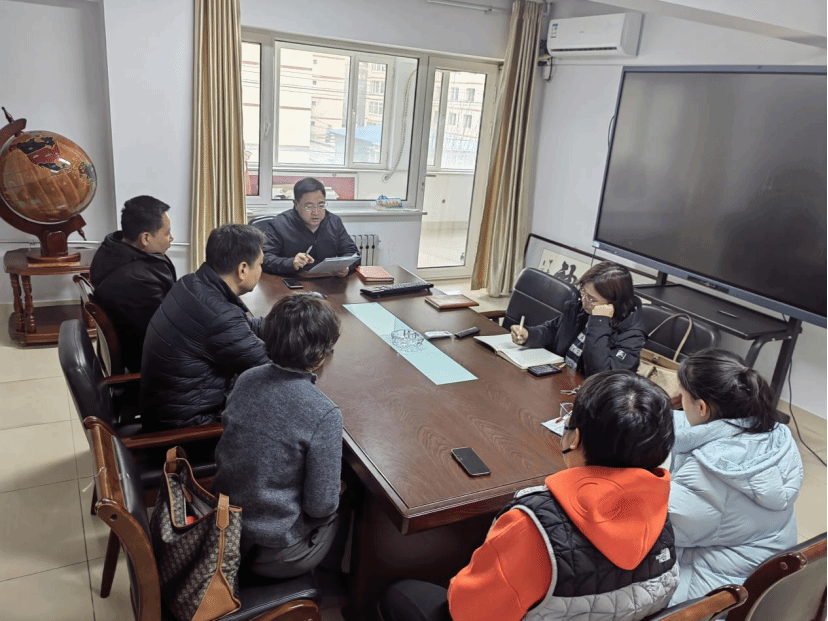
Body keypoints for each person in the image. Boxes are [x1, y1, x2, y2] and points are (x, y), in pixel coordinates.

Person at [380, 370, 678, 621]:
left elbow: (466, 611)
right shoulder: (662, 515)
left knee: (399, 593)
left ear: (575, 437)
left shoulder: (532, 525)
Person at [212, 292, 343, 579]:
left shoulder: (247, 378)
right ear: (321, 352)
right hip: (273, 552)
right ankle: (337, 585)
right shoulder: (324, 413)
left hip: (225, 525)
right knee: (348, 498)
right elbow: (320, 507)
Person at [668, 348, 804, 605]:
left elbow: (659, 529)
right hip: (760, 580)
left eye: (682, 396)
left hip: (717, 596)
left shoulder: (710, 474)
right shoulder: (775, 436)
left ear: (702, 407)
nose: (678, 402)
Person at [140, 224, 269, 429]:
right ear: (243, 269)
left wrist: (286, 322)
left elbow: (241, 329)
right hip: (192, 430)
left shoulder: (191, 284)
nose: (261, 270)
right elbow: (270, 369)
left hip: (170, 410)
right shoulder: (219, 315)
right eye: (260, 264)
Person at [510, 261, 646, 376]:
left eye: (591, 298)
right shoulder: (582, 307)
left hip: (587, 392)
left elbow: (601, 375)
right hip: (561, 376)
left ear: (614, 303)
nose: (584, 300)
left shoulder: (631, 336)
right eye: (583, 291)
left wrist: (599, 322)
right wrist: (529, 335)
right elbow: (553, 330)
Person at [89, 195, 176, 372]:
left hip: (138, 347)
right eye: (166, 233)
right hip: (153, 369)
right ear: (145, 238)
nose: (171, 238)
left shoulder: (111, 251)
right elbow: (167, 337)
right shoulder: (137, 283)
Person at [260, 177, 360, 277]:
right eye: (309, 207)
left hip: (328, 282)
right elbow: (264, 258)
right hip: (292, 281)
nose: (316, 212)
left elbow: (353, 254)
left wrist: (346, 267)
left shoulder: (334, 222)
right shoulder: (279, 224)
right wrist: (291, 263)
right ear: (296, 204)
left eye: (321, 205)